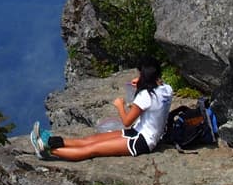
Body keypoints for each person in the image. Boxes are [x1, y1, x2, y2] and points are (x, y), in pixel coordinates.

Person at [28, 56, 173, 160]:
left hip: (142, 142)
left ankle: (47, 150)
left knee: (92, 149)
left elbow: (127, 121)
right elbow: (154, 97)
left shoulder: (145, 96)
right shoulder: (167, 89)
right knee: (92, 140)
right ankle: (51, 140)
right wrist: (142, 83)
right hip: (139, 132)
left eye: (140, 73)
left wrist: (120, 106)